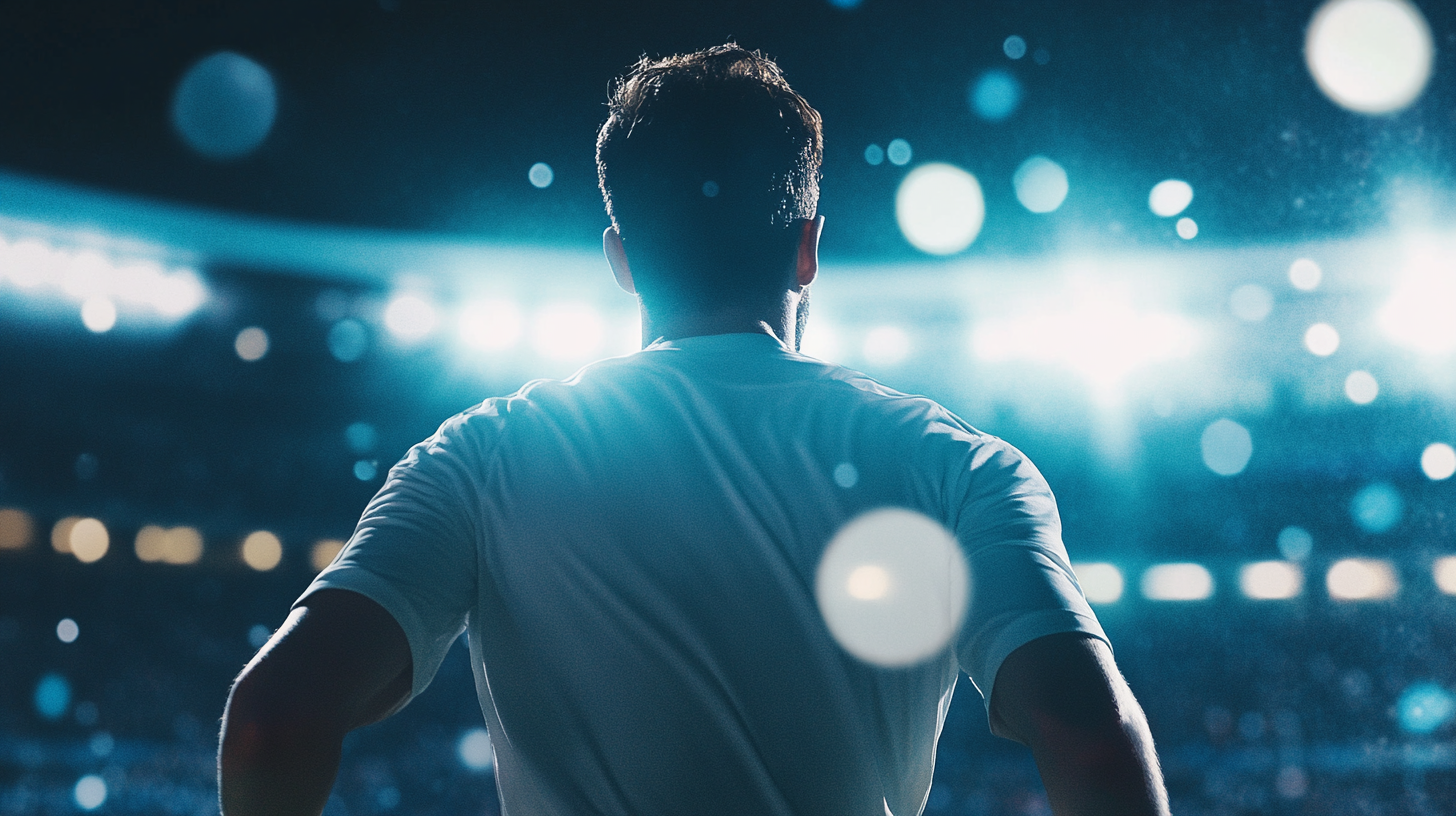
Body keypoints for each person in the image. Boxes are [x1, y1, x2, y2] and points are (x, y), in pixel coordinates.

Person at [219, 44, 1168, 816]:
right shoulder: (958, 467)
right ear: (808, 246)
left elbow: (273, 717)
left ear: (622, 259)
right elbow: (1088, 737)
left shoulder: (480, 456)